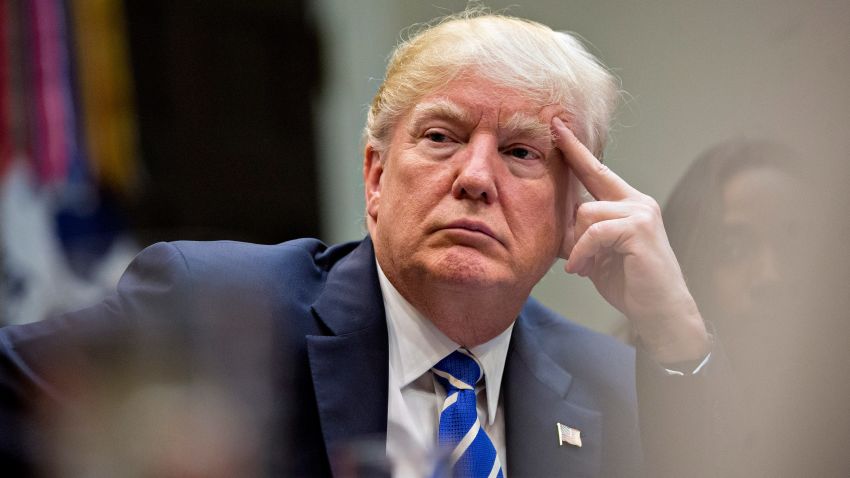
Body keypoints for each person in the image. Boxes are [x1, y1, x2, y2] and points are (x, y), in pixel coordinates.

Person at [0, 12, 720, 477]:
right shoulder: (214, 302)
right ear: (376, 177)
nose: (474, 177)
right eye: (441, 137)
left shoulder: (612, 382)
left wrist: (680, 339)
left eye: (523, 152)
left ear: (574, 212)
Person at [663, 140, 850, 477]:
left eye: (797, 244)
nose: (771, 277)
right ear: (687, 266)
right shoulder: (629, 406)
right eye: (733, 249)